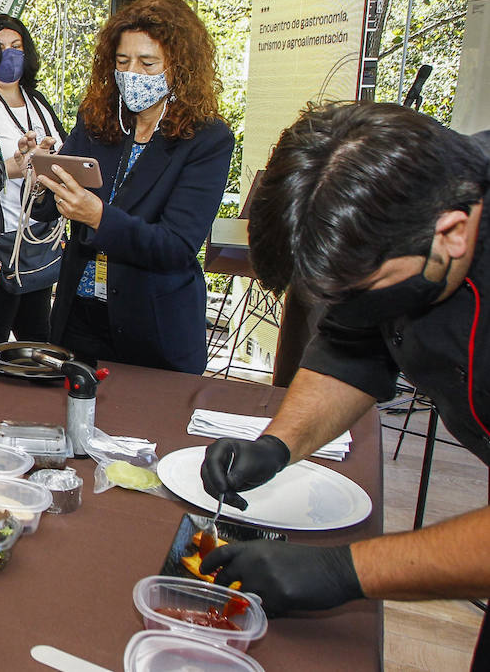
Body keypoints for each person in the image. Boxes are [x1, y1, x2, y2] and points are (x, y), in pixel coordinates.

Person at [198, 102, 490, 663]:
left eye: (361, 293)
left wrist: (349, 569)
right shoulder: (401, 237)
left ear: (451, 232)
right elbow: (352, 347)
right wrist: (276, 446)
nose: (346, 313)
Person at [28, 0, 233, 374]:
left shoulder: (206, 139)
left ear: (180, 67)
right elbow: (48, 206)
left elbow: (176, 246)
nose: (132, 73)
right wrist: (41, 174)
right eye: (123, 62)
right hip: (80, 319)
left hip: (153, 325)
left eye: (148, 63)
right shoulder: (97, 120)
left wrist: (98, 217)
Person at [0, 15, 68, 349]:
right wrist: (14, 166)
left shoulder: (38, 102)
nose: (9, 54)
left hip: (39, 239)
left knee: (40, 341)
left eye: (16, 46)